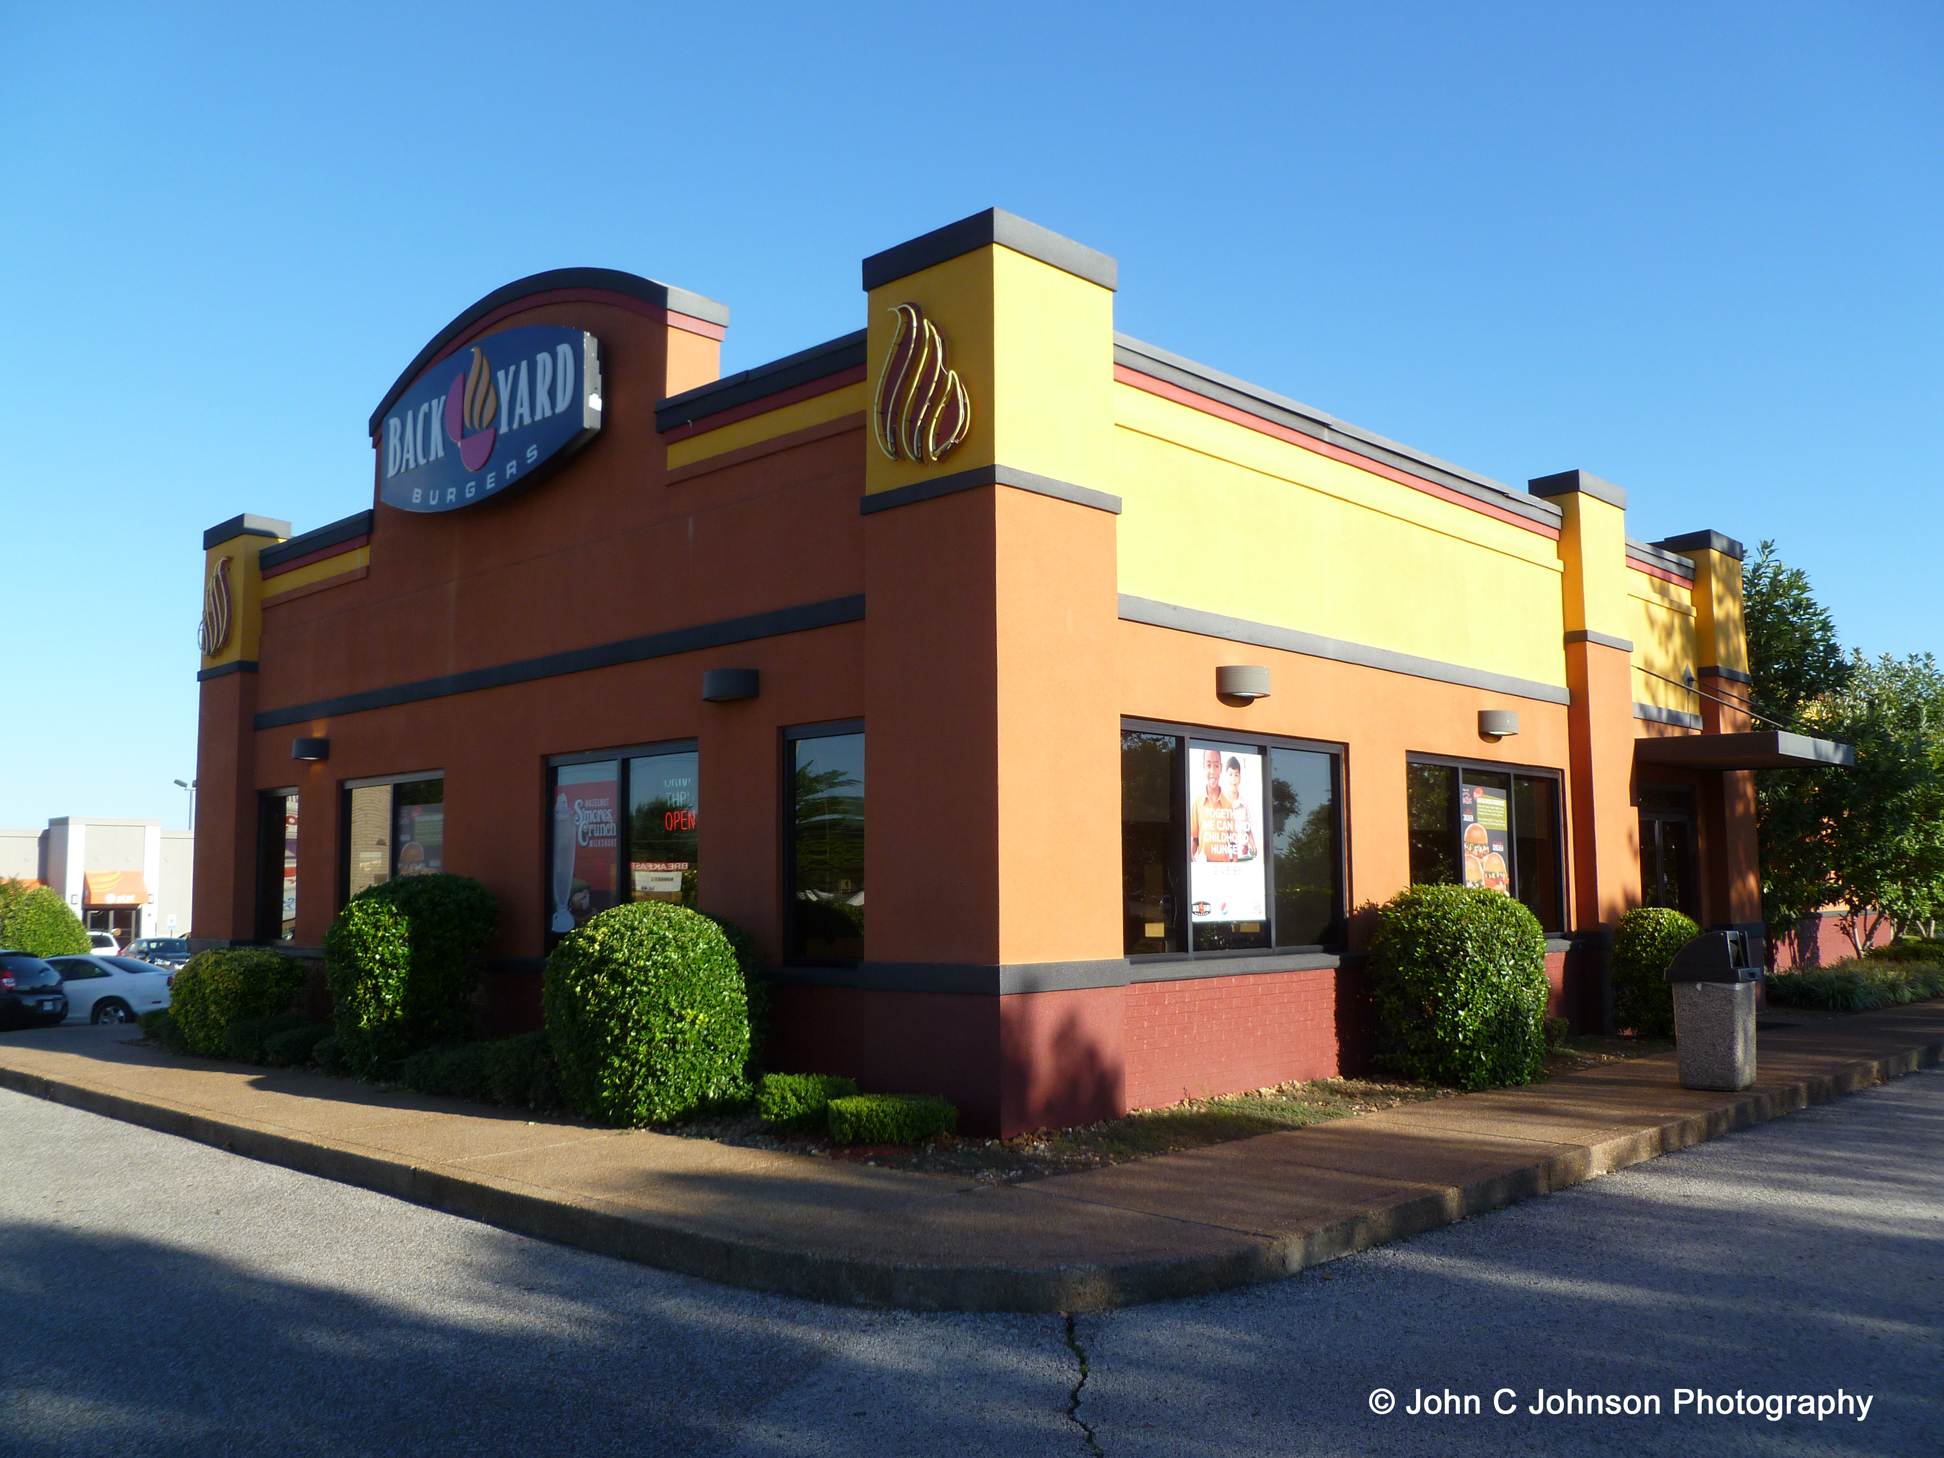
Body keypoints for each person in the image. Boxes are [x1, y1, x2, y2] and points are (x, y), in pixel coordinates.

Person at [1190, 749, 1232, 861]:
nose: (1212, 771)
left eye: (1216, 766)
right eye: (1208, 765)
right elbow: (1195, 838)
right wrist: (1191, 857)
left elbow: (1233, 841)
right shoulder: (1197, 802)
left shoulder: (1228, 805)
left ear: (1221, 768)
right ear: (1203, 766)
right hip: (1204, 867)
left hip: (1224, 868)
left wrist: (1236, 865)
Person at [1220, 756, 1258, 861]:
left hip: (1243, 857)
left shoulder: (1244, 805)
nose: (1233, 779)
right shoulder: (1221, 804)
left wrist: (1253, 845)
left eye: (1236, 775)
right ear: (1226, 776)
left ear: (1240, 778)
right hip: (1226, 857)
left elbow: (1248, 829)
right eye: (1230, 774)